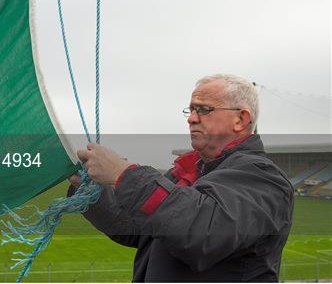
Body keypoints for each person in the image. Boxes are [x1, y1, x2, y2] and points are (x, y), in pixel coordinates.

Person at [70, 74, 294, 282]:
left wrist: (123, 174)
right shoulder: (187, 173)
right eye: (191, 110)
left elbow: (203, 234)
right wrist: (91, 192)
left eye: (204, 110)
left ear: (240, 119)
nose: (192, 119)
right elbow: (136, 230)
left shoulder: (263, 178)